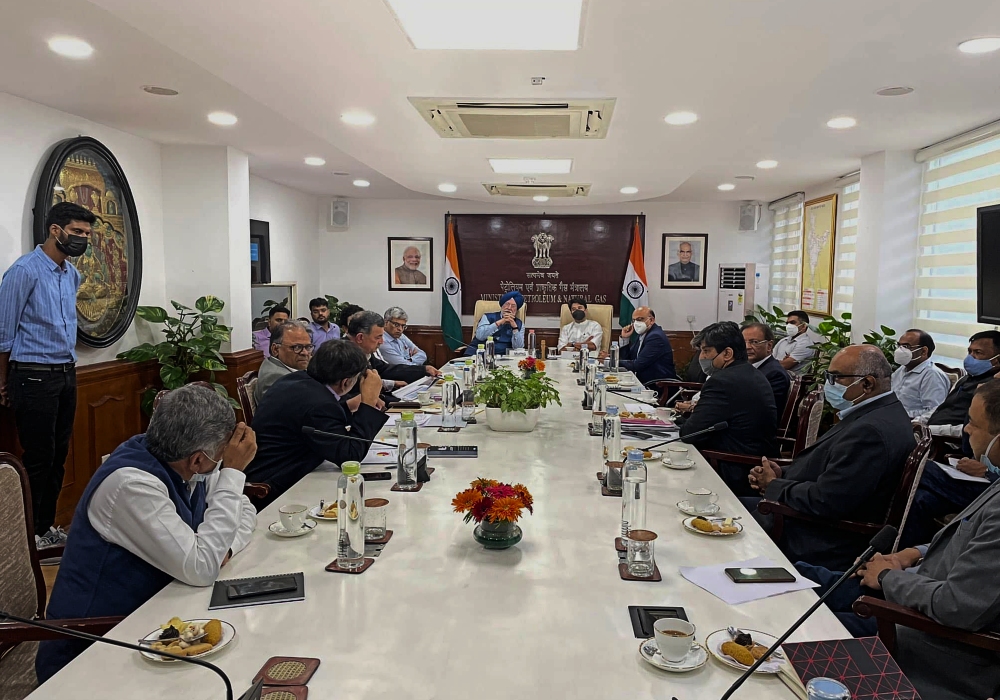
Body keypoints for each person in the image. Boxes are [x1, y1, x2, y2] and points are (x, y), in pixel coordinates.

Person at [35, 385, 258, 681]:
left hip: (160, 622)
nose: (222, 463)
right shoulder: (131, 485)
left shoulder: (181, 455)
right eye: (220, 457)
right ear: (198, 460)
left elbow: (244, 509)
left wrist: (223, 550)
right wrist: (234, 473)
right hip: (94, 649)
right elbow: (203, 568)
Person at [802, 381, 1000, 700]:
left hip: (925, 642)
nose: (965, 430)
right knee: (801, 578)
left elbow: (957, 606)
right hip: (913, 591)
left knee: (806, 630)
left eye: (974, 424)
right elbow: (967, 541)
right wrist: (910, 554)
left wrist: (887, 577)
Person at [745, 345, 915, 570]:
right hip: (803, 513)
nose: (828, 384)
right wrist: (781, 474)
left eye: (835, 377)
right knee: (726, 506)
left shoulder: (871, 431)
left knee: (723, 527)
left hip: (821, 535)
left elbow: (828, 501)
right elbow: (830, 470)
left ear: (867, 383)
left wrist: (775, 485)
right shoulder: (876, 412)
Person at [0, 202, 94, 550]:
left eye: (87, 234)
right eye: (77, 232)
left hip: (65, 374)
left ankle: (45, 529)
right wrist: (3, 382)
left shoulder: (71, 274)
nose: (83, 239)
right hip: (32, 375)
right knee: (38, 458)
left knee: (58, 456)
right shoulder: (24, 270)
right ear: (56, 230)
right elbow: (3, 333)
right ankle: (28, 537)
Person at [244, 340, 388, 508]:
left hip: (271, 470)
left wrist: (348, 406)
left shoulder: (296, 380)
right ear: (346, 382)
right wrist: (368, 404)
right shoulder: (320, 404)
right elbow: (350, 455)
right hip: (275, 488)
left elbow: (316, 421)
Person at [679, 322, 778, 495]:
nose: (702, 357)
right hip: (750, 463)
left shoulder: (723, 382)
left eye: (706, 351)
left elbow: (689, 433)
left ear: (727, 353)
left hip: (732, 469)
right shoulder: (750, 373)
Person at [345, 311, 437, 407]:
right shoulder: (343, 355)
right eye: (378, 337)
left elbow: (385, 369)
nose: (382, 341)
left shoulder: (362, 349)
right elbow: (348, 397)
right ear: (360, 337)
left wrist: (423, 370)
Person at [927, 330, 1000, 436]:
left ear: (997, 360)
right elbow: (942, 407)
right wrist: (920, 422)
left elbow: (972, 430)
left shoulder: (992, 391)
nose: (970, 357)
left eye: (978, 352)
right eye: (970, 352)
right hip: (930, 433)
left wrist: (931, 430)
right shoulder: (966, 378)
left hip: (947, 441)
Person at [890, 328, 952, 423]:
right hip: (891, 420)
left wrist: (907, 417)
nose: (900, 350)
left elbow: (934, 411)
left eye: (906, 346)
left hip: (909, 424)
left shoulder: (932, 375)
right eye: (899, 345)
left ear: (923, 351)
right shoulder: (901, 370)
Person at [255, 321, 314, 402]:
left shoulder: (279, 364)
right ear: (275, 349)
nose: (305, 353)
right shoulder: (275, 377)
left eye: (308, 347)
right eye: (297, 347)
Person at [617, 306, 676, 385]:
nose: (636, 323)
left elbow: (637, 365)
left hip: (657, 386)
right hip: (642, 382)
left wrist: (611, 362)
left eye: (640, 319)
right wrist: (625, 338)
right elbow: (629, 358)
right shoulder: (643, 334)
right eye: (634, 320)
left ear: (651, 320)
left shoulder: (655, 337)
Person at [743, 322, 791, 412]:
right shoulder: (744, 367)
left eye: (754, 342)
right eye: (743, 342)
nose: (747, 347)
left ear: (769, 346)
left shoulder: (775, 374)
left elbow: (760, 409)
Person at [464, 291, 525, 356]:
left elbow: (519, 348)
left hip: (503, 358)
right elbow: (480, 336)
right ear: (502, 306)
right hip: (478, 355)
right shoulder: (487, 317)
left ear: (516, 309)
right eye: (507, 304)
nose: (509, 308)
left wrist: (514, 327)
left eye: (513, 306)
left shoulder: (519, 324)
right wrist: (500, 322)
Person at [771, 310, 818, 374]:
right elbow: (770, 359)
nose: (788, 326)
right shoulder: (783, 341)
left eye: (792, 323)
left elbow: (784, 365)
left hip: (790, 380)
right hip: (773, 373)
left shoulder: (806, 344)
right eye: (787, 323)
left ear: (804, 326)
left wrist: (772, 363)